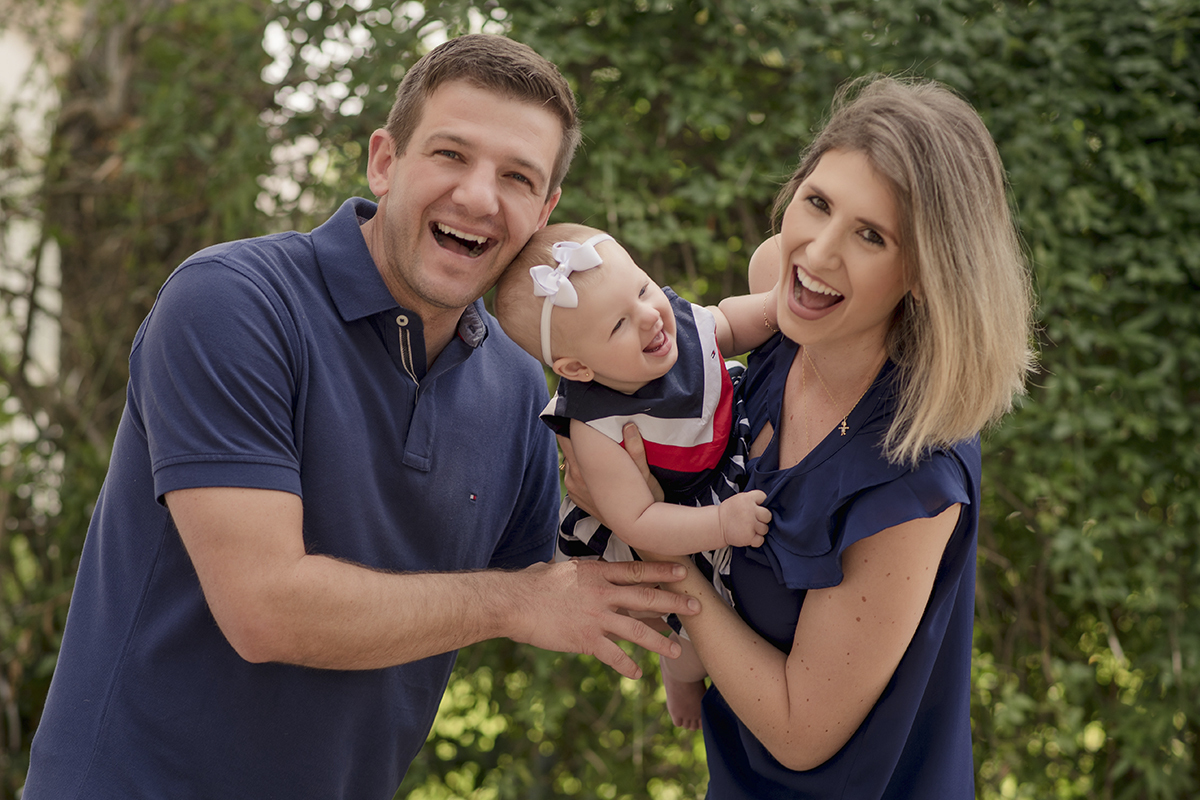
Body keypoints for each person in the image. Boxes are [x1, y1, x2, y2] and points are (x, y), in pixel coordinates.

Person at [22, 34, 700, 800]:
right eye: (451, 154)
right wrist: (516, 603)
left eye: (516, 177)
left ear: (543, 214)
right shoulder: (234, 304)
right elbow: (266, 609)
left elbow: (571, 580)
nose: (479, 197)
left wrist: (689, 499)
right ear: (385, 161)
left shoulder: (516, 385)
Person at [564, 75, 1034, 797]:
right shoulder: (785, 305)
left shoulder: (914, 473)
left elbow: (798, 731)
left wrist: (661, 540)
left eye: (870, 236)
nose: (816, 253)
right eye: (817, 203)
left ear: (923, 273)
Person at [494, 222, 779, 728]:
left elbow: (728, 324)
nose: (649, 316)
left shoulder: (672, 322)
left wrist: (775, 309)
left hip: (720, 438)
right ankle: (682, 676)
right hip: (677, 513)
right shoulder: (597, 427)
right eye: (618, 325)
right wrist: (720, 524)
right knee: (693, 623)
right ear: (577, 368)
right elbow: (639, 520)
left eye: (644, 288)